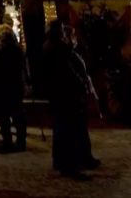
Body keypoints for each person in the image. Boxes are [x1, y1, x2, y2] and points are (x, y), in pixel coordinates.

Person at [45, 19, 99, 180]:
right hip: (66, 94)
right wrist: (81, 84)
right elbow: (67, 72)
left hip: (59, 94)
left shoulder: (51, 47)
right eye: (62, 29)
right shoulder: (59, 49)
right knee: (68, 130)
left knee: (62, 129)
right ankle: (69, 165)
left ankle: (63, 162)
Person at [0, 22, 27, 152]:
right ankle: (21, 140)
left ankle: (7, 140)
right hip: (15, 85)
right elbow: (23, 66)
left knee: (4, 115)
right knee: (18, 114)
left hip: (1, 86)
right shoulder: (17, 48)